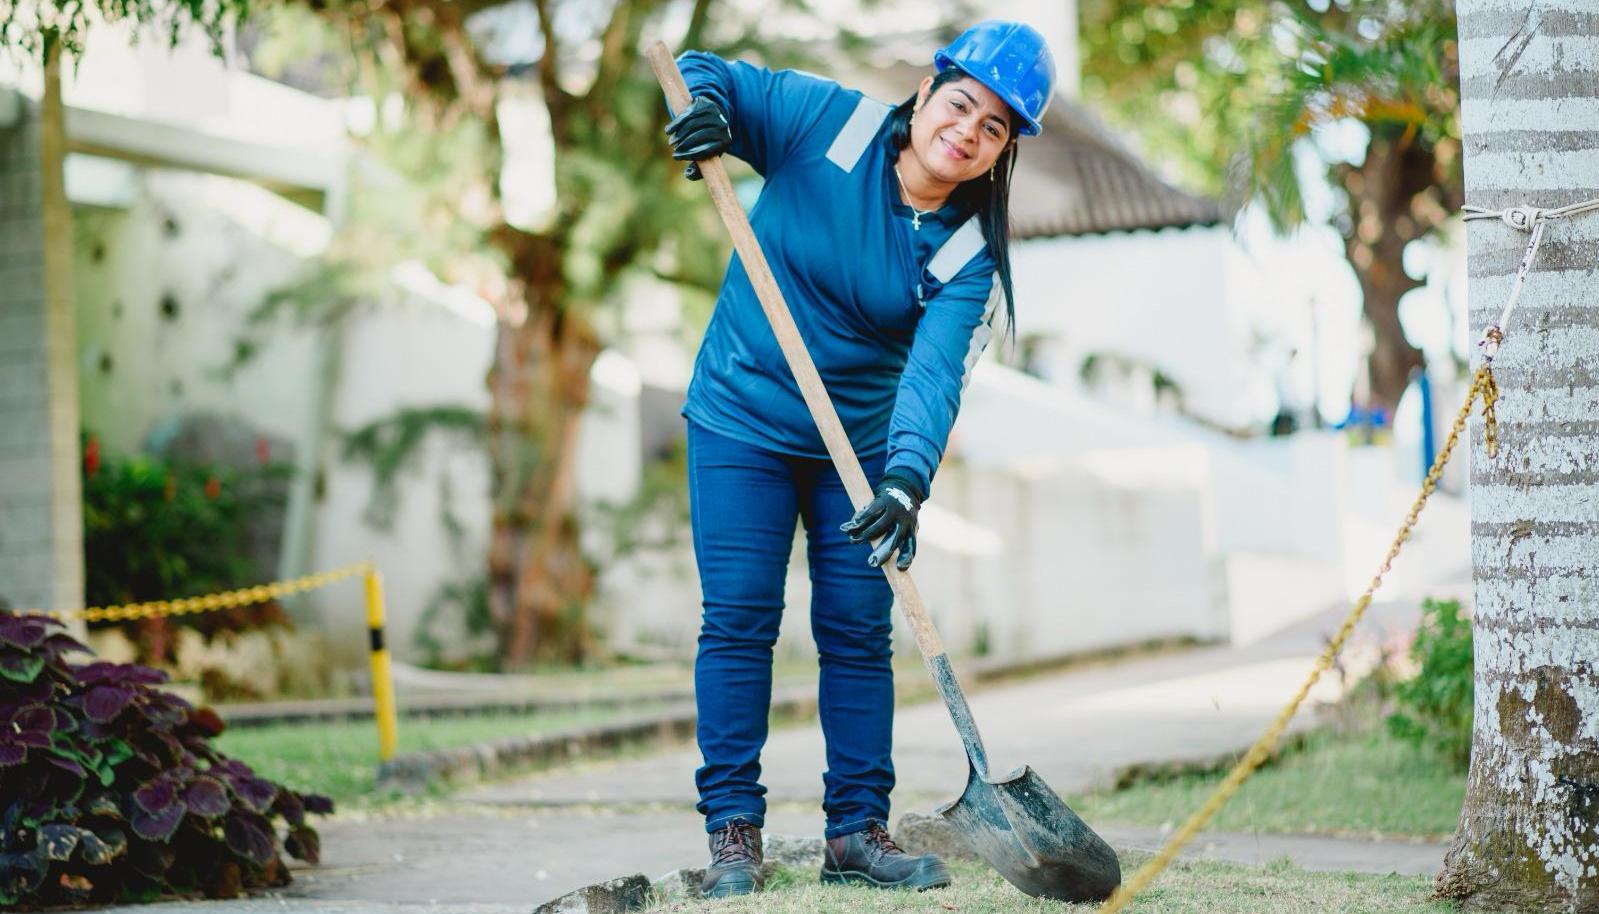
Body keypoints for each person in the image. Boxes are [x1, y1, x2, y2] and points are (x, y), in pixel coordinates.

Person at [662, 20, 1055, 898]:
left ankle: (856, 834)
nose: (968, 131)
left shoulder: (966, 256)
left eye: (994, 128)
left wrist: (905, 481)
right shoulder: (827, 123)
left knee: (854, 635)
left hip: (857, 455)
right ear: (925, 93)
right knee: (739, 621)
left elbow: (932, 378)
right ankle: (733, 834)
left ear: (1001, 153)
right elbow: (703, 72)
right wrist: (705, 117)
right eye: (961, 105)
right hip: (740, 419)